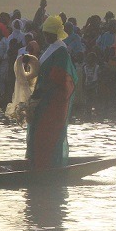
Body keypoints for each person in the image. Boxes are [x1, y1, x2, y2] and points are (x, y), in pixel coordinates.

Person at [26, 15, 76, 169]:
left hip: (53, 100)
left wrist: (40, 92)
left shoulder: (60, 50)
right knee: (37, 130)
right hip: (43, 97)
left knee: (47, 133)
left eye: (48, 34)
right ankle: (37, 163)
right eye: (45, 33)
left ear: (54, 34)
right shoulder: (51, 48)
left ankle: (49, 165)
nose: (45, 36)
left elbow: (58, 76)